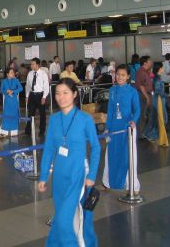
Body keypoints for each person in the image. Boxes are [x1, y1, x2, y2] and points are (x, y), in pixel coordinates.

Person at [38, 78, 100, 247]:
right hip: (59, 176)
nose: (61, 97)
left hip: (77, 175)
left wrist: (92, 175)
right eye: (57, 93)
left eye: (65, 93)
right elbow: (49, 149)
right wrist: (43, 177)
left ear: (74, 95)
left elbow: (95, 147)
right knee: (62, 216)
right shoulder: (55, 119)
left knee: (64, 220)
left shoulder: (85, 119)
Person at [101, 65, 141, 192]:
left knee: (128, 157)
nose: (120, 77)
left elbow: (137, 110)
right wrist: (107, 127)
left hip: (127, 128)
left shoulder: (132, 91)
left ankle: (132, 185)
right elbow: (110, 109)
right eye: (118, 74)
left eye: (123, 75)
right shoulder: (112, 90)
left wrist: (133, 121)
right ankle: (107, 182)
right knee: (111, 155)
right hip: (114, 128)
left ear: (128, 76)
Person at [143, 62, 169, 146]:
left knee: (155, 118)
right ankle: (152, 135)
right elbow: (158, 91)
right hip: (159, 100)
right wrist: (168, 95)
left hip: (156, 99)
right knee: (162, 118)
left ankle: (149, 133)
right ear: (160, 68)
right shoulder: (157, 79)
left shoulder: (155, 78)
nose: (163, 69)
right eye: (162, 67)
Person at [25, 58, 49, 136]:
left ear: (37, 65)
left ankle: (42, 130)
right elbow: (28, 86)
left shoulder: (43, 74)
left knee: (42, 114)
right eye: (31, 64)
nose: (31, 65)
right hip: (32, 95)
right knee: (30, 113)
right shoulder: (30, 74)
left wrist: (44, 97)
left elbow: (46, 87)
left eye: (33, 64)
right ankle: (28, 130)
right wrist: (27, 96)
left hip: (40, 95)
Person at [0, 68, 23, 137]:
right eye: (11, 72)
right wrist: (6, 91)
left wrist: (13, 91)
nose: (13, 74)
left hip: (14, 101)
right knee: (6, 115)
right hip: (7, 101)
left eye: (13, 72)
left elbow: (21, 88)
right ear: (7, 74)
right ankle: (4, 132)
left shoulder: (16, 80)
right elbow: (1, 90)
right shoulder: (3, 81)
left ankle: (14, 132)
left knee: (15, 115)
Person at [134, 55, 153, 135]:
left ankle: (146, 131)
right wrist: (147, 97)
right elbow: (141, 86)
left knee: (147, 113)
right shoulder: (141, 72)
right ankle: (141, 133)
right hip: (142, 95)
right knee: (142, 114)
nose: (151, 62)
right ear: (145, 63)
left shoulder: (146, 71)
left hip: (147, 94)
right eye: (149, 61)